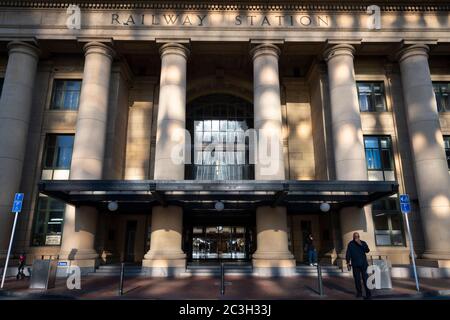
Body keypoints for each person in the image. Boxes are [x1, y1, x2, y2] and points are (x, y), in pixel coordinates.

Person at [346, 232, 371, 299]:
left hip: (363, 264)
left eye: (357, 236)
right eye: (355, 236)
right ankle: (359, 293)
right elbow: (348, 254)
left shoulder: (363, 242)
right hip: (355, 265)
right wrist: (348, 262)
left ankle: (368, 294)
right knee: (357, 280)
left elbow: (367, 250)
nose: (356, 237)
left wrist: (361, 244)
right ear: (353, 237)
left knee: (366, 279)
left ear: (359, 237)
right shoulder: (350, 244)